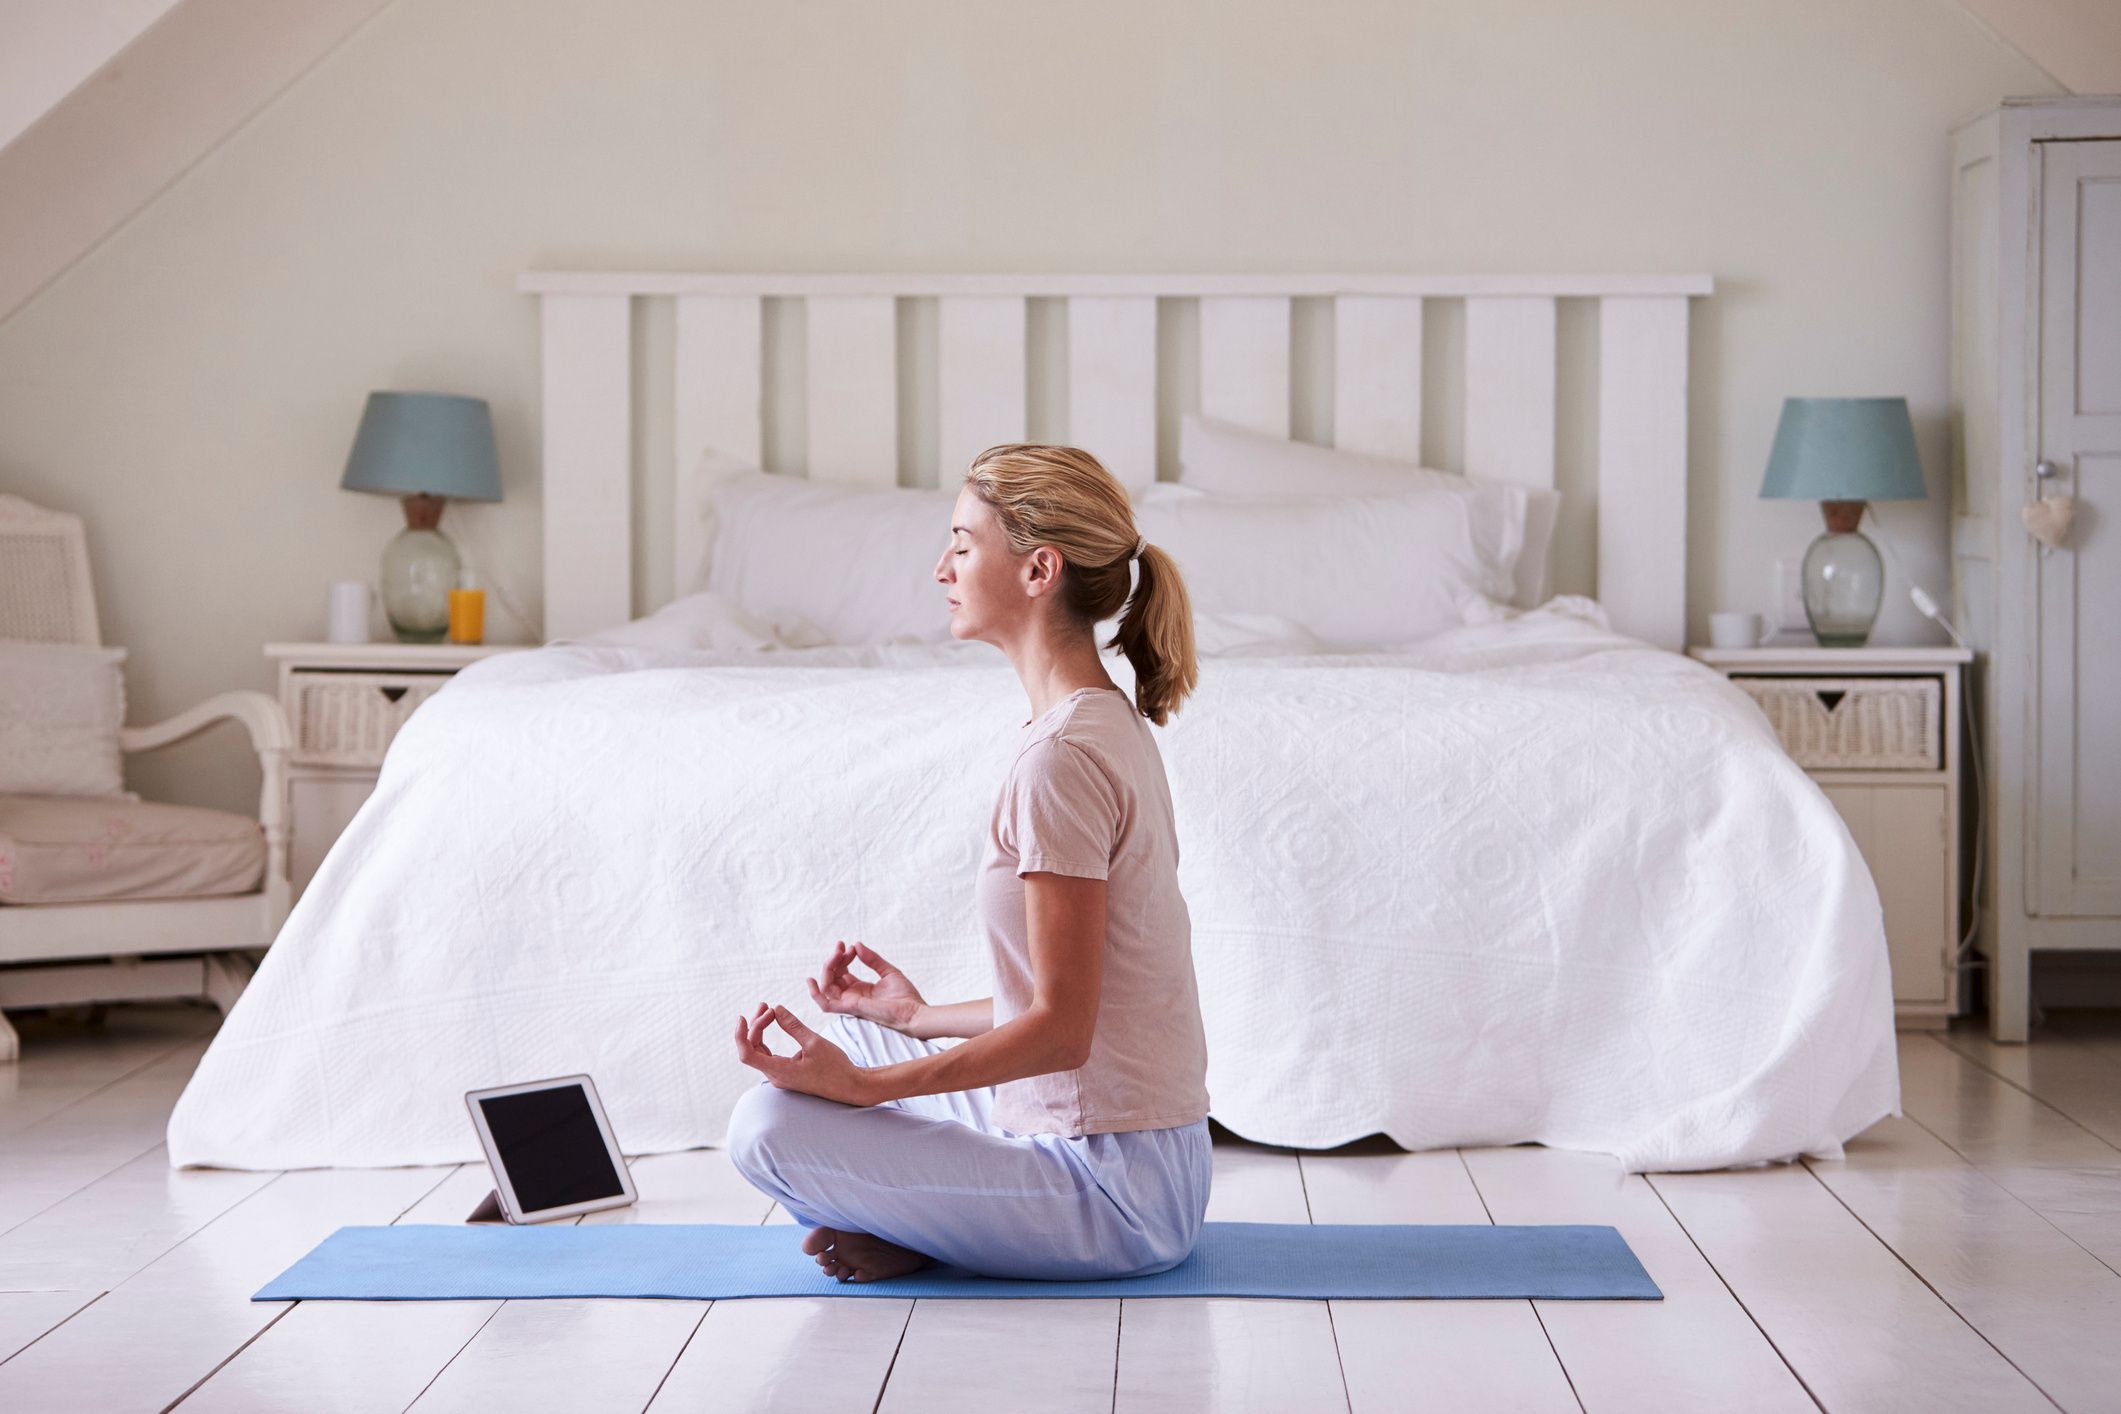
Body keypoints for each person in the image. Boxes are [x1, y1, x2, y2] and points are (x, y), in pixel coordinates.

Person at [724, 442, 1213, 1283]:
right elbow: (1084, 998)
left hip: (1115, 1191)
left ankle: (938, 1231)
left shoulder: (1059, 759)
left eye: (962, 542)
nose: (941, 566)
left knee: (764, 1129)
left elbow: (1062, 1027)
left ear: (1038, 571)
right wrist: (911, 1019)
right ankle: (939, 1224)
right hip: (1135, 1150)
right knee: (849, 1046)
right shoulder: (1105, 722)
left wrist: (866, 1094)